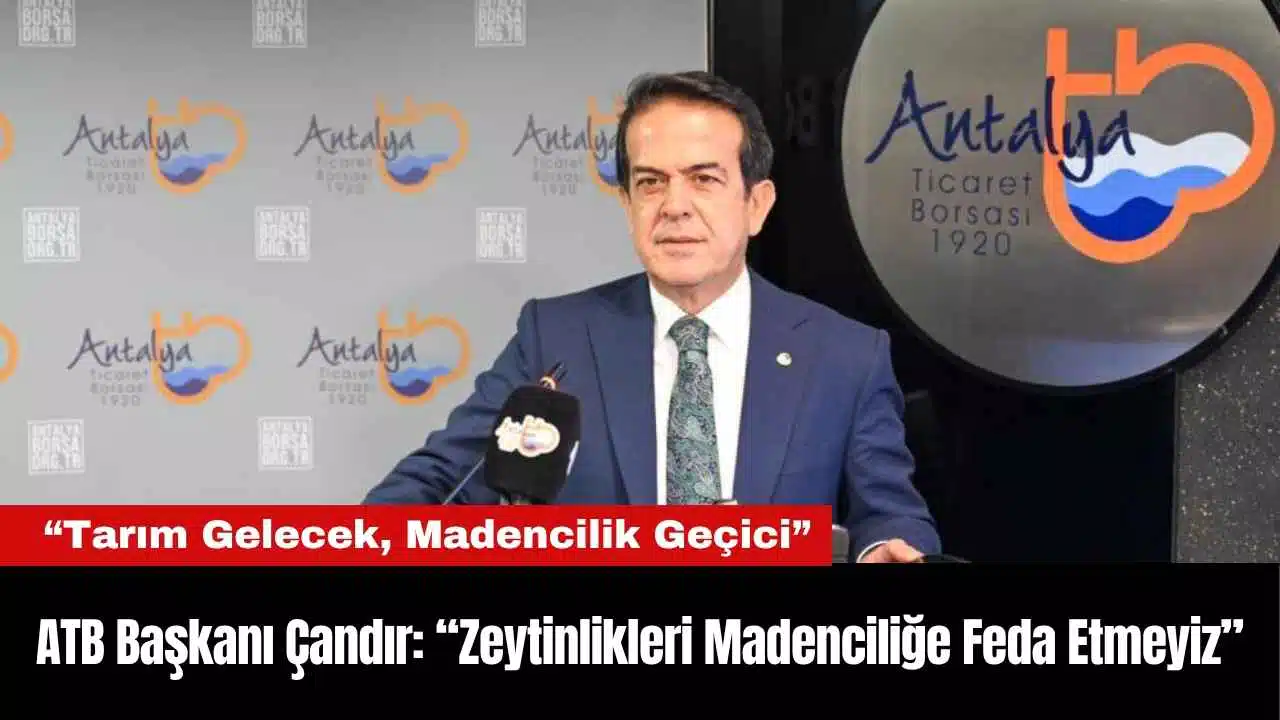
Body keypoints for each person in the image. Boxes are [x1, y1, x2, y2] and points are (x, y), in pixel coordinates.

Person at [363, 70, 941, 563]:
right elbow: (437, 484)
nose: (674, 206)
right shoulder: (555, 338)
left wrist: (882, 549)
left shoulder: (845, 356)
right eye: (651, 183)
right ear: (627, 205)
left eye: (704, 179)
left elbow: (890, 515)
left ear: (756, 205)